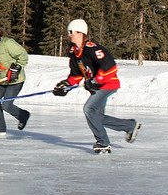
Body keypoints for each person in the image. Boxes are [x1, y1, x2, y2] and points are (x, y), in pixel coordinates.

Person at [53, 19, 140, 153]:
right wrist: (65, 85)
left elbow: (110, 67)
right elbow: (76, 75)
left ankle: (103, 142)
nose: (69, 35)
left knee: (89, 109)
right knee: (97, 118)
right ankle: (129, 126)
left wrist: (96, 80)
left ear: (81, 33)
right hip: (96, 87)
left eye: (72, 32)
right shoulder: (74, 52)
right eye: (69, 32)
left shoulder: (93, 49)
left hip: (107, 85)